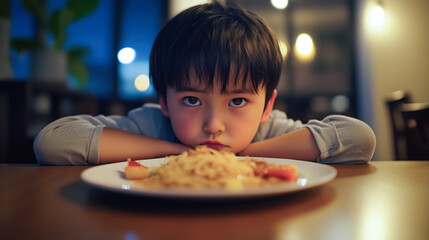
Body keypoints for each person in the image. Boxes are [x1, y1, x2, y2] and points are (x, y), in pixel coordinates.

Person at [33, 2, 376, 165]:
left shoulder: (274, 131)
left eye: (238, 101)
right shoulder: (151, 125)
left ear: (267, 107)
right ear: (165, 102)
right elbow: (53, 142)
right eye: (192, 101)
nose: (214, 126)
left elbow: (359, 139)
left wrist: (242, 155)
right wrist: (180, 152)